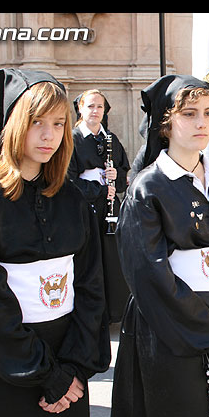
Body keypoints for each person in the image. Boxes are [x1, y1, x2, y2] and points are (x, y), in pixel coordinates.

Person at [0, 68, 111, 417]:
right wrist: (45, 374)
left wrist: (72, 368)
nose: (49, 135)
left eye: (58, 123)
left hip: (67, 367)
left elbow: (91, 286)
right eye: (37, 122)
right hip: (5, 364)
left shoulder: (72, 199)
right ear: (14, 125)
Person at [109, 74, 209, 417]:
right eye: (189, 114)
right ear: (166, 122)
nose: (202, 123)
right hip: (171, 331)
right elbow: (150, 276)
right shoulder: (148, 188)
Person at [69, 89, 131, 323]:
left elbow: (124, 173)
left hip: (109, 209)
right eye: (90, 106)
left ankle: (113, 311)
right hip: (85, 210)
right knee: (89, 261)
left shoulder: (110, 139)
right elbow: (69, 181)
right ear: (80, 109)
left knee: (112, 261)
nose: (95, 111)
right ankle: (91, 313)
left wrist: (117, 175)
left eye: (100, 107)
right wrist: (101, 189)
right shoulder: (72, 138)